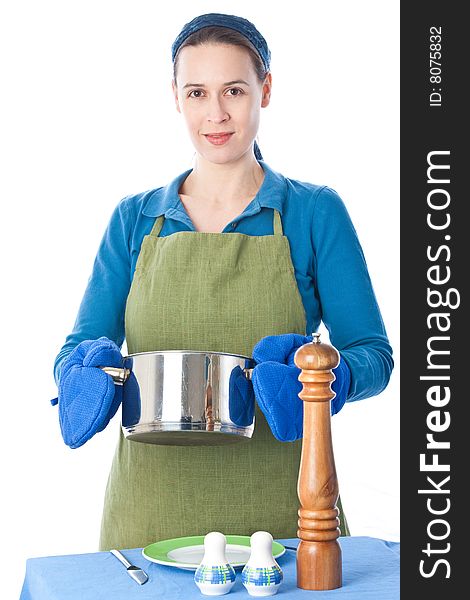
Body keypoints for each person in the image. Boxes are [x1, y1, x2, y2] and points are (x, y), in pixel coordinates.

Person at [52, 13, 394, 551]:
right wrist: (81, 373)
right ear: (176, 97)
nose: (215, 114)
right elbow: (76, 348)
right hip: (148, 517)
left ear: (266, 89)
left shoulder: (313, 213)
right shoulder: (134, 220)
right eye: (197, 92)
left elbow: (373, 354)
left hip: (285, 517)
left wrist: (323, 379)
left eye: (234, 90)